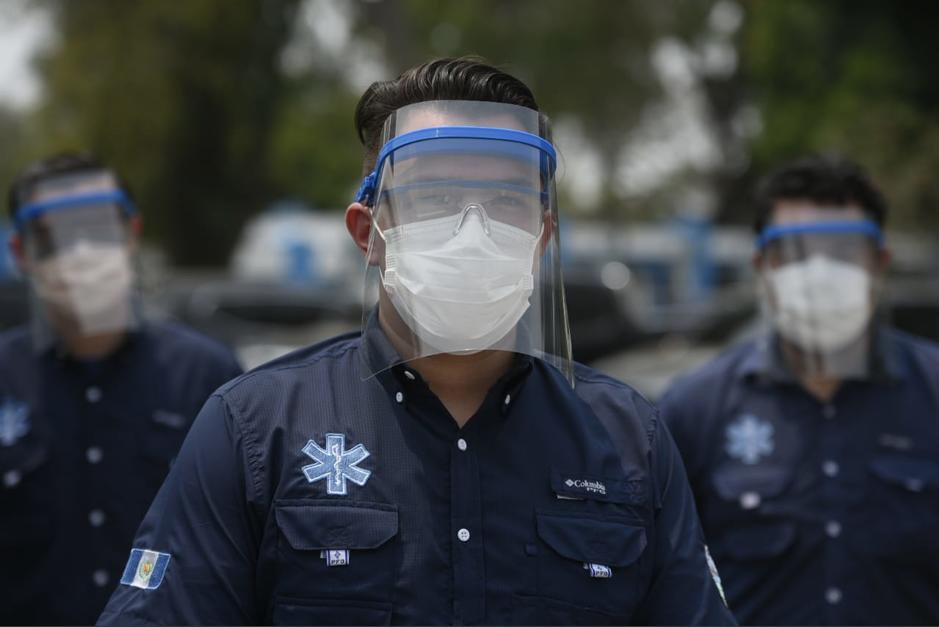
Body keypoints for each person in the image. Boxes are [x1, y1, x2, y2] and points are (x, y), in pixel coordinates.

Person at [97, 57, 733, 626]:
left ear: (541, 235)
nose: (472, 231)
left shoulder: (628, 443)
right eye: (437, 197)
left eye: (507, 199)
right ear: (367, 232)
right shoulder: (255, 430)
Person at [659, 155, 939, 625]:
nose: (821, 274)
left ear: (880, 264)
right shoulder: (694, 410)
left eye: (843, 251)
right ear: (762, 268)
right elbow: (664, 583)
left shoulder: (934, 393)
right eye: (797, 252)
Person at [0, 152, 244, 624]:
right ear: (21, 253)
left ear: (131, 233)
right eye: (55, 236)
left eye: (98, 228)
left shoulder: (208, 376)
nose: (82, 251)